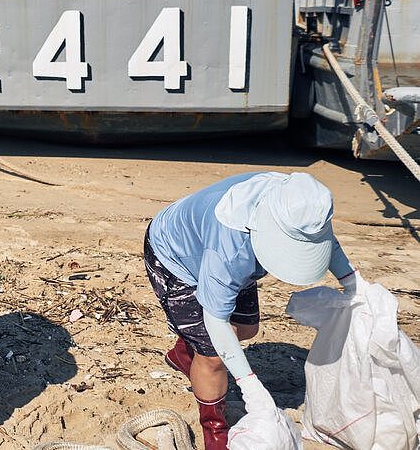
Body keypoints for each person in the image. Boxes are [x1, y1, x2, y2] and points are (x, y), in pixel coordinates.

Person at [143, 172, 362, 450]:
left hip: (224, 254)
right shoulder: (230, 248)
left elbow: (326, 241)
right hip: (175, 258)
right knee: (212, 357)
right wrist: (250, 386)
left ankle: (185, 353)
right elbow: (216, 319)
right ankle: (215, 431)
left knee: (246, 329)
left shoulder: (301, 203)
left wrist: (353, 284)